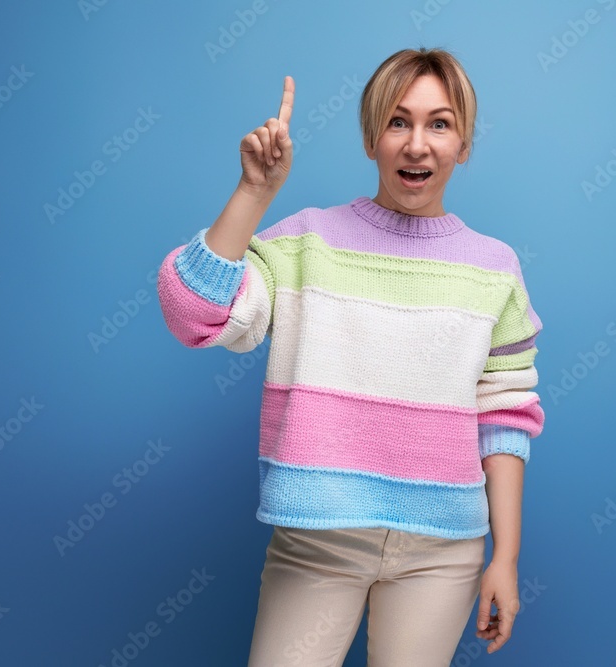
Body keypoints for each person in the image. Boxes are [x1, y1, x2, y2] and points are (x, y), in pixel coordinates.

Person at [156, 47, 545, 666]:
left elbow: (505, 416)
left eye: (439, 124)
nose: (417, 144)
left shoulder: (495, 268)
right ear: (370, 139)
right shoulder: (307, 242)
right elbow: (192, 311)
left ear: (464, 143)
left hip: (443, 551)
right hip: (319, 542)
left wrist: (507, 557)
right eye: (398, 121)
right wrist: (254, 192)